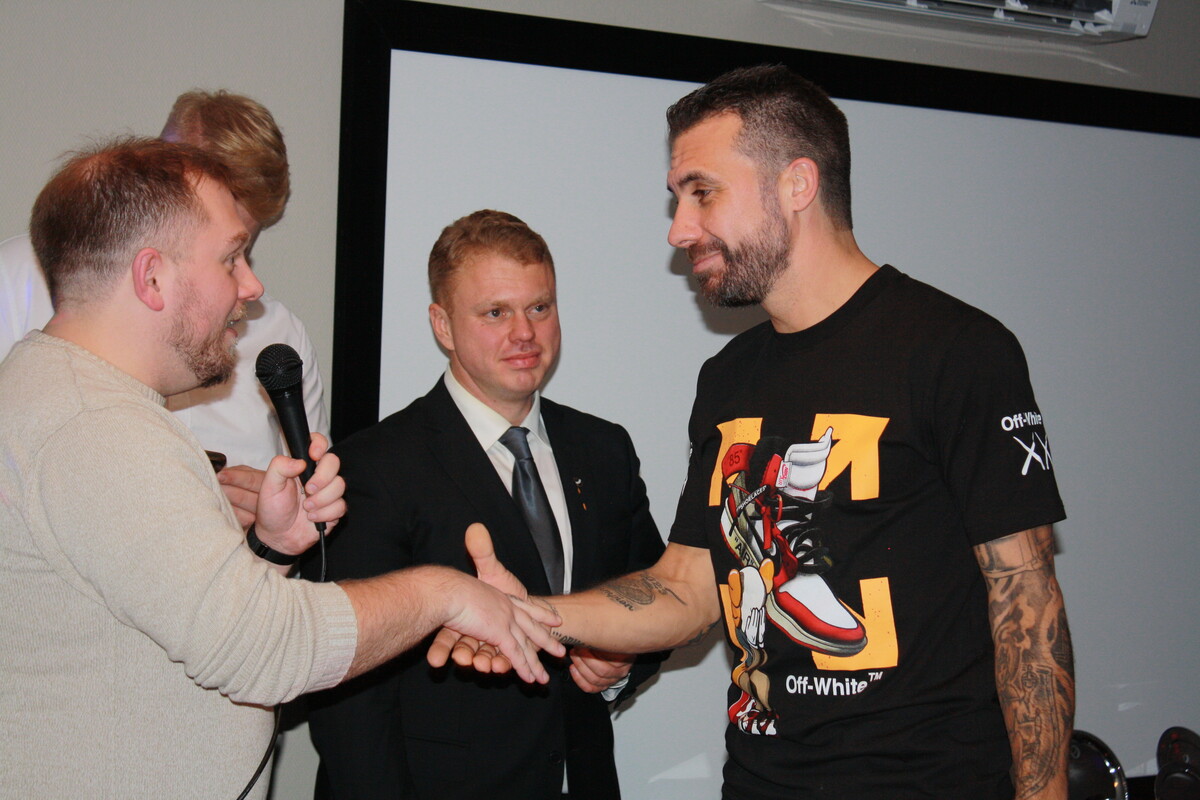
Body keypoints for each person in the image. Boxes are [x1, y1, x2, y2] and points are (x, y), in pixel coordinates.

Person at [435, 66, 1074, 800]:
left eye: (702, 192)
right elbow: (687, 588)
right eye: (677, 198)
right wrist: (525, 614)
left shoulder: (955, 350)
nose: (679, 229)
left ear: (796, 184)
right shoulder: (728, 378)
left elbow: (1026, 606)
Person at [0, 139, 561, 799]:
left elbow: (190, 627)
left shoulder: (70, 398)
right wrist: (450, 592)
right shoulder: (97, 426)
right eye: (231, 258)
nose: (252, 286)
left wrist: (270, 549)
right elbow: (266, 650)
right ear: (152, 278)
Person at [302, 209, 666, 800]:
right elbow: (348, 693)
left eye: (539, 308)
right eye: (496, 312)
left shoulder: (604, 449)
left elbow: (655, 589)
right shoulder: (373, 467)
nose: (525, 333)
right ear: (442, 326)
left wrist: (621, 661)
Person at [0, 89, 327, 471]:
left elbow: (309, 483)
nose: (249, 286)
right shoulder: (17, 276)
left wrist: (267, 500)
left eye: (241, 246)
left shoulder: (281, 334)